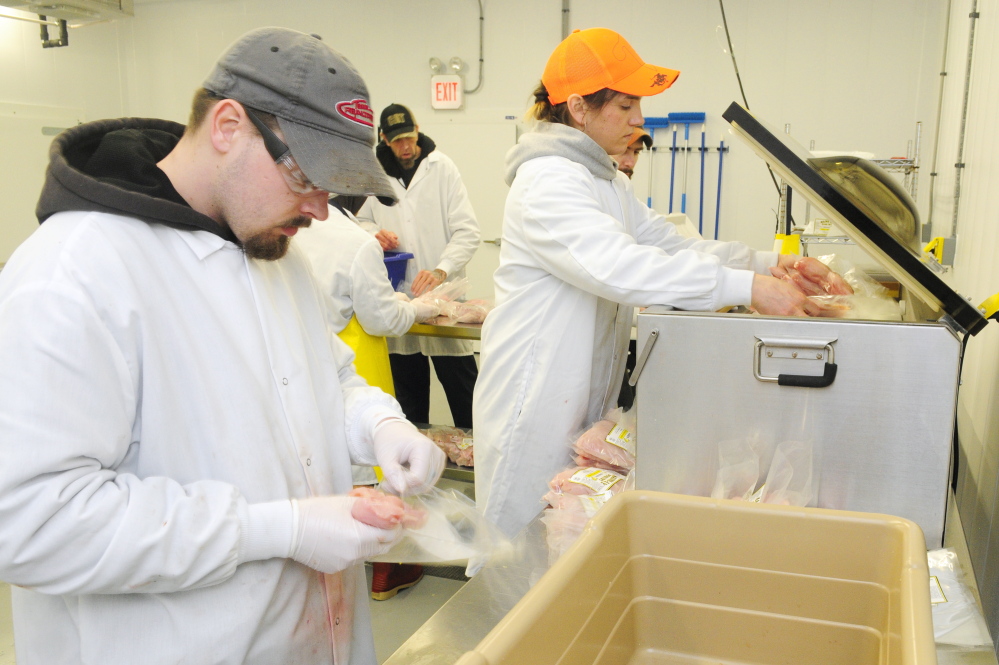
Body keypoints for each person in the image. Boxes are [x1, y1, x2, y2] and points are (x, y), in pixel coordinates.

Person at [0, 27, 445, 665]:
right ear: (229, 127)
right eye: (308, 177)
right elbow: (29, 522)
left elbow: (327, 376)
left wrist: (378, 424)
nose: (322, 211)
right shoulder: (73, 274)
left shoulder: (274, 252)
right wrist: (278, 528)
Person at [472, 28, 850, 541]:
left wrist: (770, 265)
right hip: (533, 406)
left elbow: (670, 245)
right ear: (579, 108)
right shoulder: (548, 181)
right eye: (625, 105)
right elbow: (620, 266)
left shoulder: (606, 183)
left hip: (578, 401)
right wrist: (748, 288)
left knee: (565, 544)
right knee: (516, 560)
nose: (639, 120)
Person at [296, 194, 438, 600]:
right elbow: (382, 318)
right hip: (354, 362)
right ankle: (384, 572)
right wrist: (419, 309)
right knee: (375, 477)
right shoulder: (357, 242)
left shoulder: (290, 229)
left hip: (305, 362)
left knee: (322, 471)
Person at [355, 104, 481, 429]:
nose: (407, 147)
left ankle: (479, 465)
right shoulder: (373, 173)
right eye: (397, 142)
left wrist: (441, 269)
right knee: (407, 400)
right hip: (399, 300)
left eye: (410, 138)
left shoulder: (442, 168)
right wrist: (374, 233)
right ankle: (414, 472)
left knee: (464, 392)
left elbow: (468, 231)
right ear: (383, 139)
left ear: (418, 129)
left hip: (444, 300)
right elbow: (358, 221)